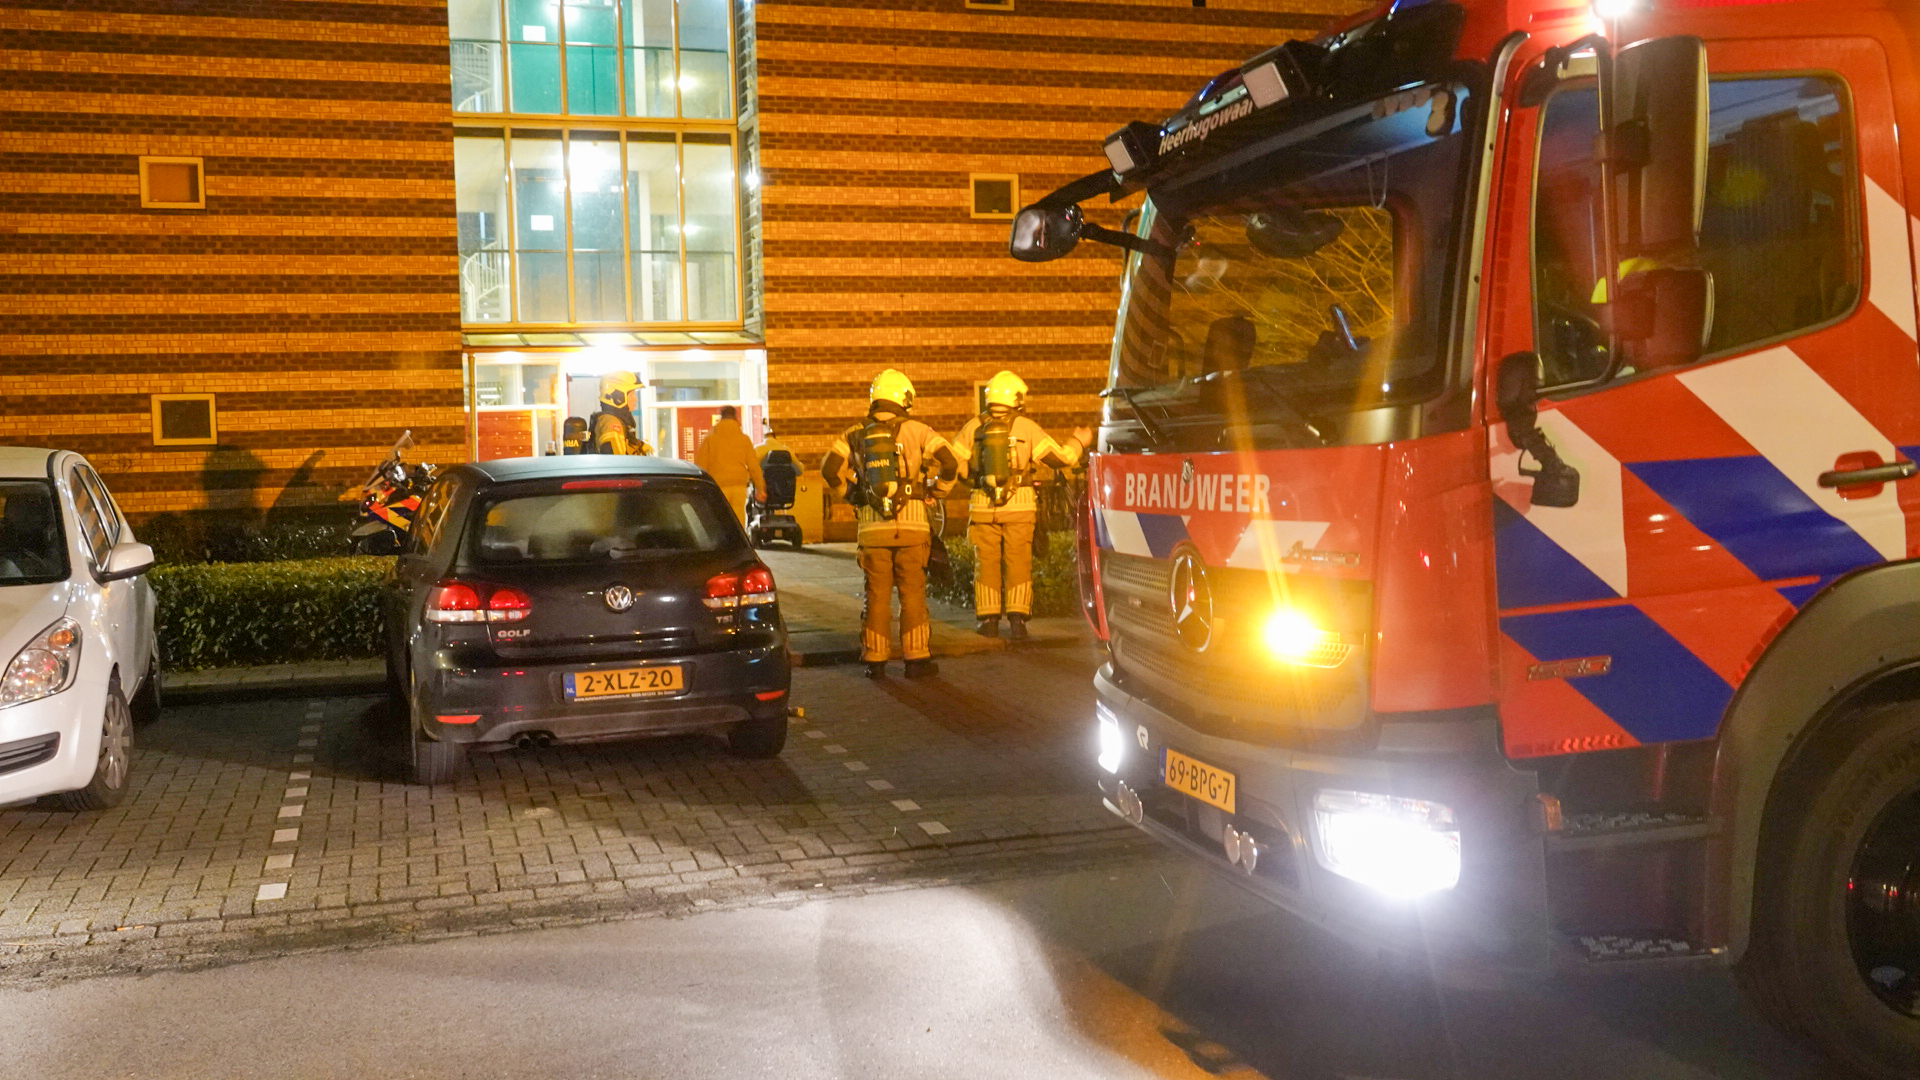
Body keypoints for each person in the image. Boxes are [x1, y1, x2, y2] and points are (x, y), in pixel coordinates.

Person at [821, 369, 958, 679]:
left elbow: (829, 468)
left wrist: (853, 495)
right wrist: (935, 491)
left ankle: (875, 659)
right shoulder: (920, 431)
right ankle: (917, 659)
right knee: (913, 595)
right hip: (913, 527)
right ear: (904, 398)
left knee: (876, 596)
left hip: (872, 530)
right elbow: (950, 462)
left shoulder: (854, 433)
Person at [950, 371, 1092, 641]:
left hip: (983, 508)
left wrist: (977, 482)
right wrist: (1078, 441)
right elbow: (1059, 459)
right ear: (1016, 399)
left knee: (986, 564)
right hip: (1020, 508)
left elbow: (956, 467)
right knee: (1019, 563)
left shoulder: (972, 427)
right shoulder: (1026, 427)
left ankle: (989, 621)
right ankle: (1017, 622)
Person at [694, 405, 765, 527]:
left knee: (719, 519)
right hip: (739, 486)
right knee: (738, 519)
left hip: (718, 485)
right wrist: (760, 488)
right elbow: (754, 466)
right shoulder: (744, 439)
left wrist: (699, 487)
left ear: (721, 417)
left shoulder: (709, 439)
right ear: (735, 417)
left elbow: (701, 465)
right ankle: (738, 539)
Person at [589, 371, 653, 455]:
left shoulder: (613, 421)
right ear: (618, 397)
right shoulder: (611, 423)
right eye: (632, 394)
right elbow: (617, 460)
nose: (635, 399)